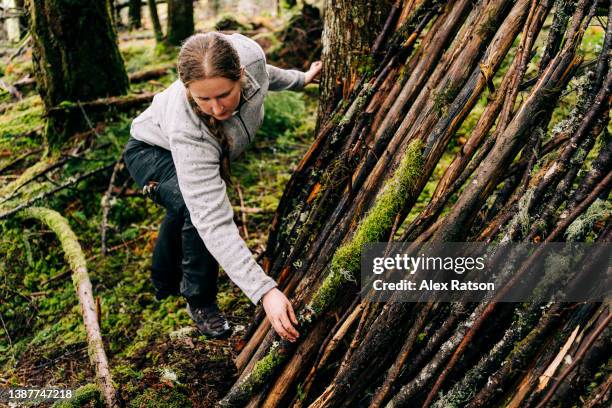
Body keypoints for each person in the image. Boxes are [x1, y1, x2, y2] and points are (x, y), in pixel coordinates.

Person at [123, 32, 322, 341]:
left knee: (185, 206)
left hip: (183, 146)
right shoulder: (187, 126)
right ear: (188, 88)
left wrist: (302, 78)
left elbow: (265, 73)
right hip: (150, 151)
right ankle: (199, 300)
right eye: (204, 99)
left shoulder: (250, 58)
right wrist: (264, 291)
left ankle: (163, 279)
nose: (216, 109)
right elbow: (213, 220)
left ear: (240, 75)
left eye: (224, 94)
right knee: (193, 207)